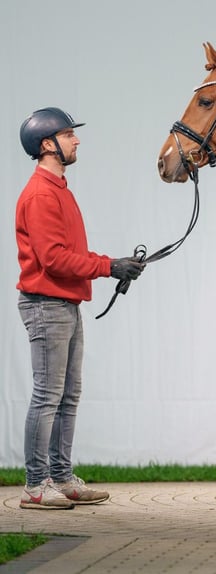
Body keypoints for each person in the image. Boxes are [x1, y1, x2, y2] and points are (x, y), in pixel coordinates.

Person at [15, 107, 145, 510]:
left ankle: (62, 477)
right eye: (68, 134)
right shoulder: (39, 194)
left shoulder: (59, 191)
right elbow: (53, 259)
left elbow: (70, 253)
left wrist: (113, 263)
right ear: (47, 145)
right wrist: (108, 268)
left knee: (67, 396)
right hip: (46, 304)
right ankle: (36, 486)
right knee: (47, 396)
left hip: (64, 303)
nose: (77, 140)